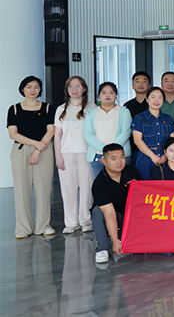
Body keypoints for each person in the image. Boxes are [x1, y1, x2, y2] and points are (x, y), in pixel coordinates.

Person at [7, 76, 56, 238]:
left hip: (44, 150)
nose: (33, 90)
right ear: (23, 89)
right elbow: (13, 134)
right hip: (21, 150)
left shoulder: (48, 108)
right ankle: (23, 227)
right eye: (29, 87)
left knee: (43, 188)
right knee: (21, 189)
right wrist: (36, 144)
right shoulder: (14, 109)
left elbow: (51, 130)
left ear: (40, 90)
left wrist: (38, 149)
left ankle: (44, 225)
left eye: (36, 87)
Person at [53, 76, 96, 234]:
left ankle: (86, 220)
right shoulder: (61, 109)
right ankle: (71, 222)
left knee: (87, 188)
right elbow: (57, 134)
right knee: (68, 188)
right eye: (71, 86)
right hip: (66, 153)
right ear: (67, 89)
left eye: (78, 86)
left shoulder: (92, 107)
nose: (74, 89)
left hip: (86, 152)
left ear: (84, 89)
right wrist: (58, 155)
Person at [91, 143, 140, 263]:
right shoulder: (99, 184)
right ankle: (102, 248)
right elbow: (109, 214)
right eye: (113, 159)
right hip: (114, 214)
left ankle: (121, 235)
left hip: (131, 216)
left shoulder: (132, 172)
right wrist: (114, 242)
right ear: (104, 161)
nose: (119, 162)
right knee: (98, 212)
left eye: (122, 157)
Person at [83, 82, 132, 177]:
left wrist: (111, 150)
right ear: (99, 96)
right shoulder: (91, 113)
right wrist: (105, 150)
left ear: (116, 96)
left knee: (121, 182)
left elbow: (126, 133)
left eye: (111, 92)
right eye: (104, 92)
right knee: (101, 183)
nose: (108, 95)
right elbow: (87, 134)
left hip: (120, 154)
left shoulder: (124, 112)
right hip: (98, 154)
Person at [131, 87, 174, 180]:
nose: (156, 100)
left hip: (165, 159)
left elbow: (172, 141)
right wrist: (153, 156)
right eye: (153, 97)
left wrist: (166, 155)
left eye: (160, 97)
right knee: (145, 185)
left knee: (164, 186)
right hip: (145, 158)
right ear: (147, 99)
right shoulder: (139, 118)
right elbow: (137, 140)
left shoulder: (168, 119)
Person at [124, 71, 151, 162]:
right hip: (132, 147)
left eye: (144, 81)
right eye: (137, 81)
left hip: (151, 146)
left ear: (149, 86)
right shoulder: (127, 105)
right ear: (132, 85)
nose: (140, 84)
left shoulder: (154, 104)